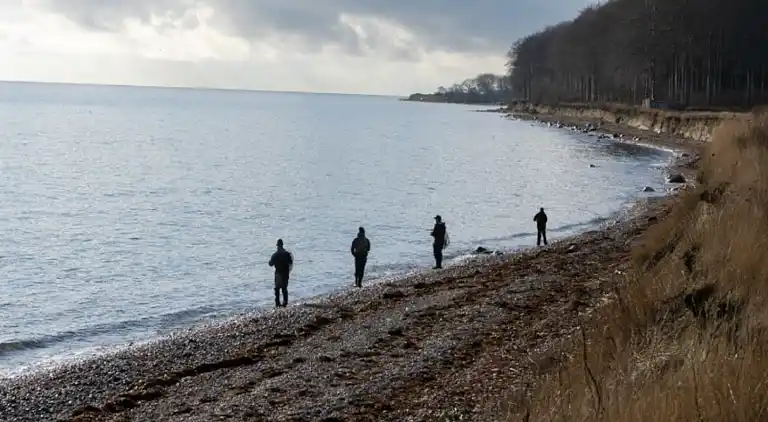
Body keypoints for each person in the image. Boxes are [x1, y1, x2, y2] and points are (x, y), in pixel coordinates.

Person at [268, 238, 293, 308]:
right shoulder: (287, 254)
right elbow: (290, 262)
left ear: (277, 246)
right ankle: (285, 302)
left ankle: (277, 303)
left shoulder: (275, 255)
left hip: (278, 273)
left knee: (277, 288)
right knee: (284, 288)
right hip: (285, 273)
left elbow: (270, 264)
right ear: (282, 245)